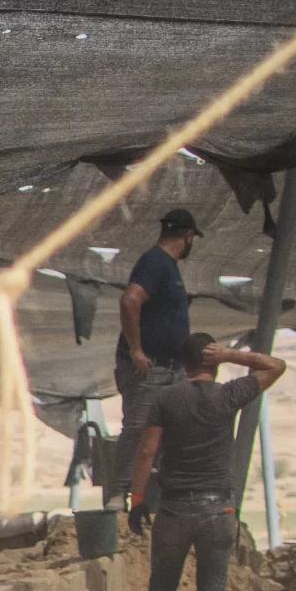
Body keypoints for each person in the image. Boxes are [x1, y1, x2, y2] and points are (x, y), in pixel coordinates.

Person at [126, 333, 285, 591]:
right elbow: (277, 366)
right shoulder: (229, 394)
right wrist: (231, 355)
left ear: (184, 363)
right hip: (219, 511)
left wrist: (137, 498)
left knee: (163, 586)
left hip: (174, 509)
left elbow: (146, 451)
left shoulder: (166, 398)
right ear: (213, 361)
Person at [112, 207, 205, 507]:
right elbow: (130, 300)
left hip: (171, 368)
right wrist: (136, 349)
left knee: (170, 432)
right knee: (139, 429)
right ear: (188, 236)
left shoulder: (167, 267)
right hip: (149, 367)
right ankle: (117, 495)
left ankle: (157, 496)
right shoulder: (156, 262)